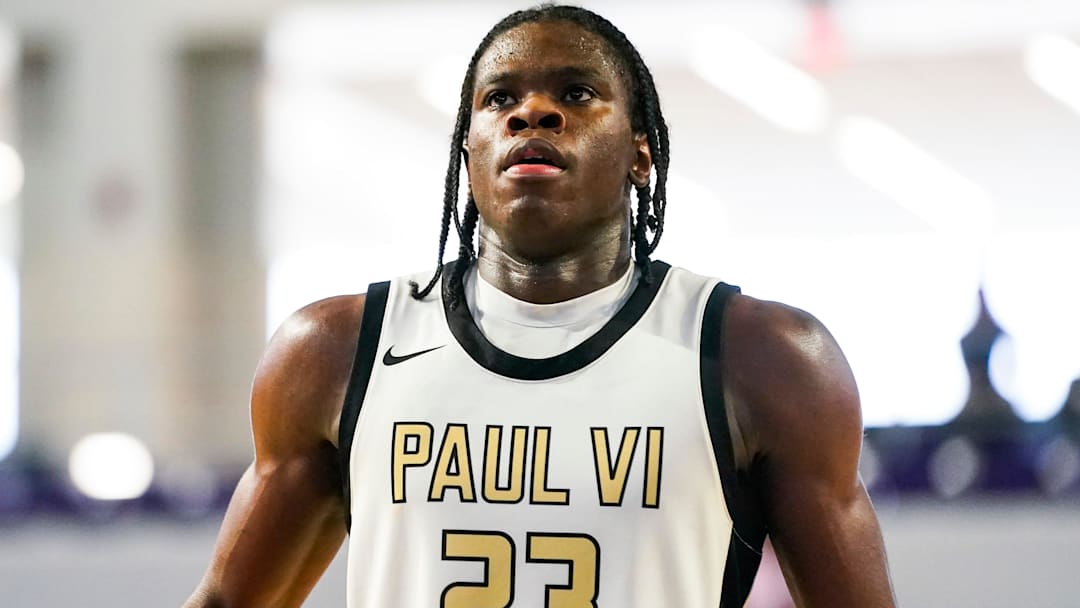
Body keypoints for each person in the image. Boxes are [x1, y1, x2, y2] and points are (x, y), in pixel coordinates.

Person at [183, 5, 896, 607]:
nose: (533, 112)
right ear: (468, 153)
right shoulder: (336, 349)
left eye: (577, 93)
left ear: (640, 153)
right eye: (500, 99)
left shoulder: (764, 357)